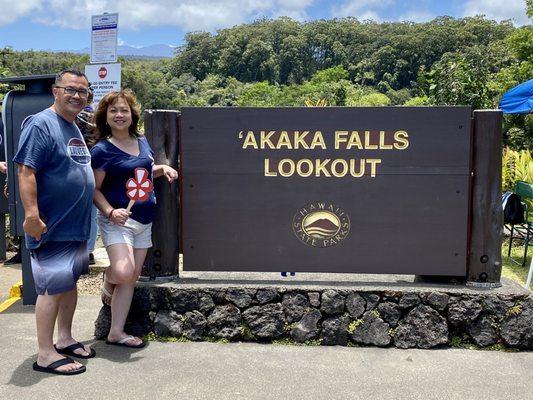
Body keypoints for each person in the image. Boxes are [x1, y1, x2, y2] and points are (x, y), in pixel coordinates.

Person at [14, 69, 95, 375]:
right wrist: (32, 215)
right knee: (50, 289)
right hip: (52, 225)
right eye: (70, 90)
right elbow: (26, 171)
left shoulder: (72, 126)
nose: (76, 96)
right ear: (55, 91)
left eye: (83, 92)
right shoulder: (40, 123)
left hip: (75, 227)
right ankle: (45, 354)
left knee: (69, 283)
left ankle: (64, 338)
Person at [91, 89, 178, 348]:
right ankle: (108, 278)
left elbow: (141, 171)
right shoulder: (102, 150)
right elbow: (94, 189)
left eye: (124, 110)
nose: (119, 115)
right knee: (123, 271)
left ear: (133, 115)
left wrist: (160, 169)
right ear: (105, 117)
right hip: (118, 220)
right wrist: (110, 211)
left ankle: (116, 332)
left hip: (144, 220)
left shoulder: (142, 142)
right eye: (114, 111)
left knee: (131, 277)